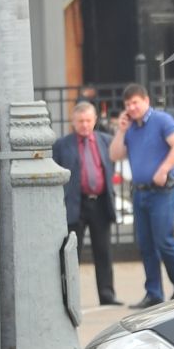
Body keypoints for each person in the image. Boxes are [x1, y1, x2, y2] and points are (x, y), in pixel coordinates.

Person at [110, 83, 174, 307]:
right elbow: (115, 154)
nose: (132, 107)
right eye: (128, 104)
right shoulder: (131, 128)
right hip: (140, 192)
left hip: (163, 191)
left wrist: (164, 169)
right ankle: (153, 292)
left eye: (135, 102)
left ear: (146, 101)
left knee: (164, 240)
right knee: (146, 244)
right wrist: (121, 129)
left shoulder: (162, 121)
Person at [52, 100, 119, 307]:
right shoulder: (62, 145)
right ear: (73, 122)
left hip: (99, 202)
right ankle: (69, 297)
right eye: (80, 121)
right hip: (75, 204)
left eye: (88, 120)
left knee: (103, 251)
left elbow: (111, 166)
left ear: (95, 120)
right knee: (72, 253)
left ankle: (107, 295)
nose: (85, 125)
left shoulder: (106, 141)